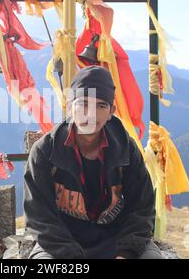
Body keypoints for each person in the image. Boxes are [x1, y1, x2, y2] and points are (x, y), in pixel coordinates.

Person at [23, 66, 163, 259]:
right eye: (83, 104)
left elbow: (142, 208)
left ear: (111, 111)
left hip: (117, 239)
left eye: (101, 106)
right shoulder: (45, 151)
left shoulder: (126, 149)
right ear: (70, 105)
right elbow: (40, 217)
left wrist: (126, 253)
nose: (91, 114)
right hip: (61, 243)